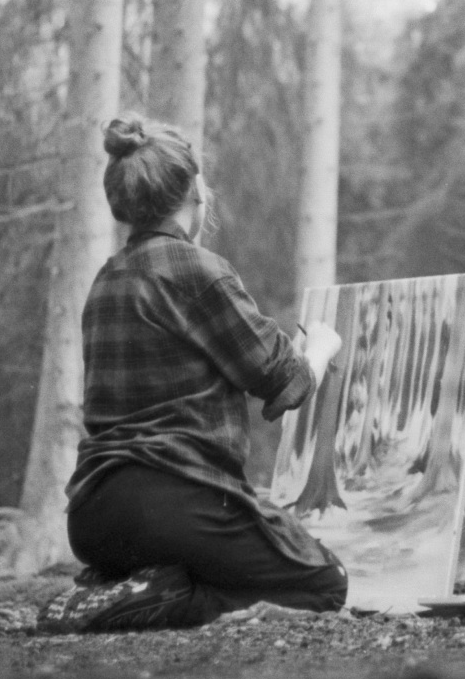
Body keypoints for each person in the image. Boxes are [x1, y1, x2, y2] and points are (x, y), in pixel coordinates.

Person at [36, 114, 347, 633]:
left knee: (210, 557)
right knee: (326, 582)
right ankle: (162, 595)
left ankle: (123, 587)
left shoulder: (105, 280)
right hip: (176, 505)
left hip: (92, 516)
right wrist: (321, 347)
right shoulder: (197, 270)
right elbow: (282, 382)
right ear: (195, 194)